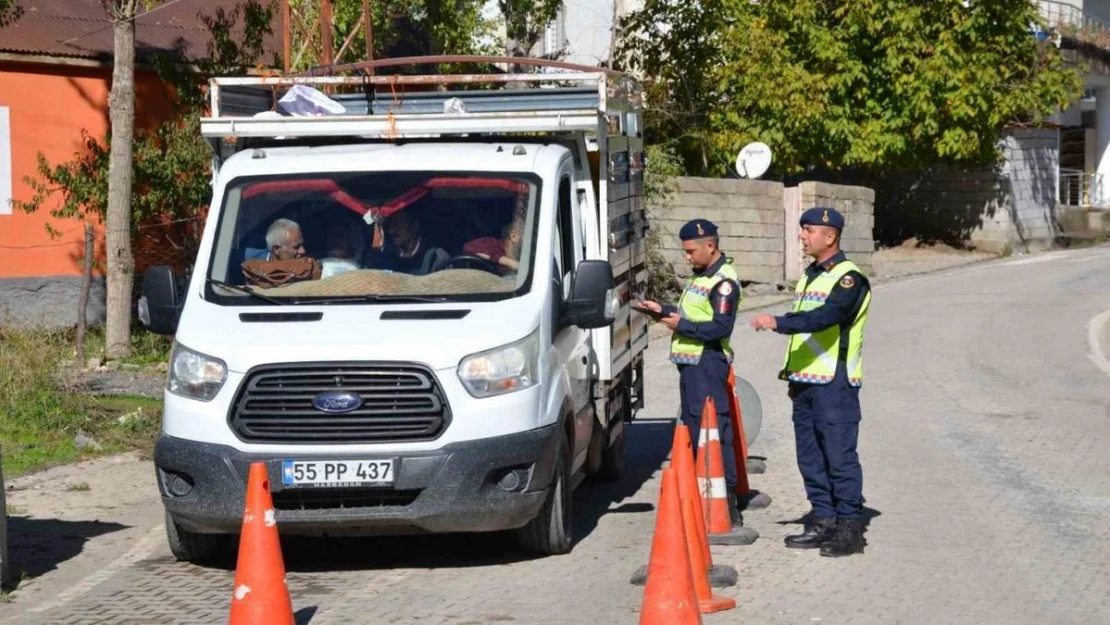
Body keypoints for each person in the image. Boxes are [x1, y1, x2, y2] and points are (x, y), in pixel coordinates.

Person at [751, 207, 871, 558]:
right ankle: (822, 519)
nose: (802, 236)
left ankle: (850, 527)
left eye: (808, 230)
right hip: (805, 383)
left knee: (839, 456)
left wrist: (778, 321)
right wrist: (792, 374)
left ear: (830, 236)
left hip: (835, 384)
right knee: (810, 456)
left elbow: (825, 318)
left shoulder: (849, 278)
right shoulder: (810, 275)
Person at [634, 218, 745, 526]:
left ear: (710, 246)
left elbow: (721, 327)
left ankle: (728, 503)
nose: (687, 257)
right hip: (693, 367)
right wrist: (665, 311)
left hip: (707, 364)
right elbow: (695, 313)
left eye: (691, 251)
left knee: (713, 432)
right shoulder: (702, 276)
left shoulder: (723, 282)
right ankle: (707, 497)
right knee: (699, 431)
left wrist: (680, 324)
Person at [382, 210, 449, 276]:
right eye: (389, 226)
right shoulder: (386, 255)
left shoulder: (437, 257)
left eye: (397, 225)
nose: (391, 231)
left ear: (414, 226)